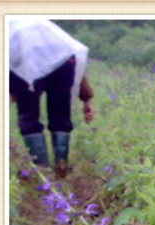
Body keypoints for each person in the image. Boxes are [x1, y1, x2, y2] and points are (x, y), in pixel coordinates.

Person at [9, 18, 94, 174]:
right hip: (65, 63)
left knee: (29, 118)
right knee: (60, 116)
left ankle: (42, 173)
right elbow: (69, 57)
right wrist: (87, 99)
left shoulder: (7, 27)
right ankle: (61, 167)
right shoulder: (46, 27)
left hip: (27, 62)